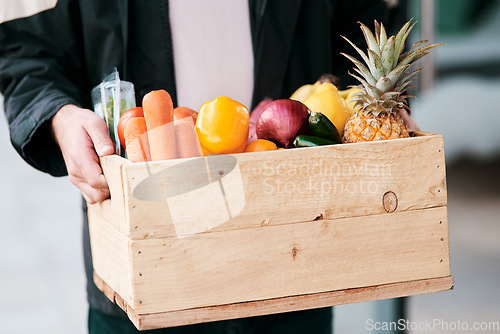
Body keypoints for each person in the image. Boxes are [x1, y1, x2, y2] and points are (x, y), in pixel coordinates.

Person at [0, 0, 407, 332]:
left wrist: (381, 114)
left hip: (290, 256)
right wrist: (58, 116)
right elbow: (25, 48)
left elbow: (369, 25)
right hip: (146, 266)